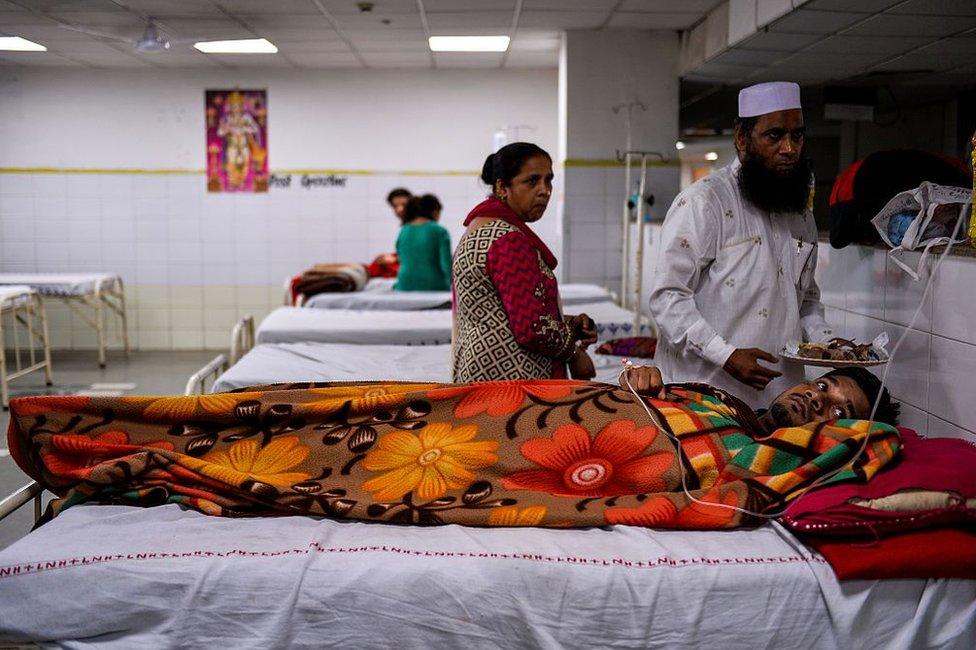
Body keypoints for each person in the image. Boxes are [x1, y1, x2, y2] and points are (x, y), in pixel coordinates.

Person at [648, 81, 834, 409]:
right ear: (742, 138)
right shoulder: (705, 202)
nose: (789, 148)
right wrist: (726, 355)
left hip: (782, 401)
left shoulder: (800, 215)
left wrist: (827, 343)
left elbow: (805, 300)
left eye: (797, 135)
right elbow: (667, 297)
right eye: (774, 135)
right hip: (704, 399)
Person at [452, 142, 597, 382]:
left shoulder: (482, 225)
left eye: (548, 180)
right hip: (509, 382)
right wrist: (575, 355)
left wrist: (568, 323)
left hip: (482, 372)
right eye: (532, 181)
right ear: (502, 187)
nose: (545, 190)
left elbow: (500, 311)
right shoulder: (508, 240)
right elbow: (531, 329)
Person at [620, 364, 900, 433]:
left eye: (839, 413)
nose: (816, 398)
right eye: (824, 386)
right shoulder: (729, 409)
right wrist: (634, 384)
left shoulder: (759, 461)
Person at [394, 194, 452, 292]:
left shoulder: (403, 230)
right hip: (434, 285)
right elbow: (446, 263)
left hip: (404, 285)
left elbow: (400, 258)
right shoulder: (440, 231)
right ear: (435, 212)